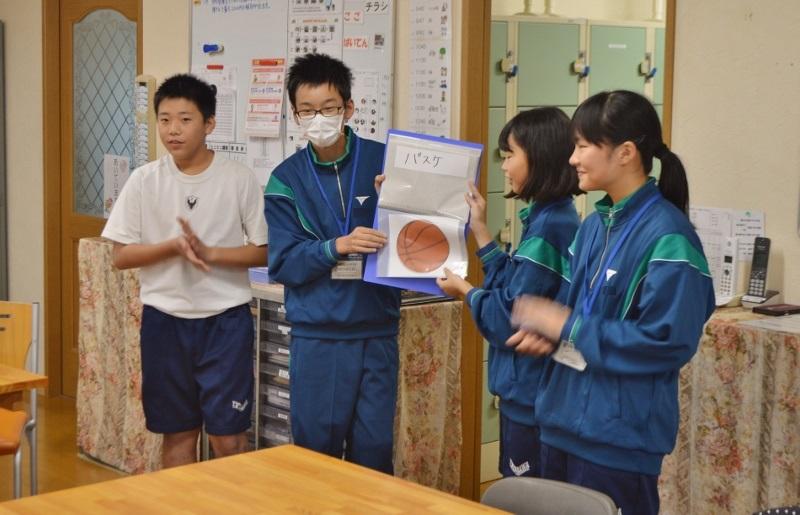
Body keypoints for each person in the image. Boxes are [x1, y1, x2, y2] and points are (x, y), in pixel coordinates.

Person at [507, 90, 715, 514]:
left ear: (625, 153)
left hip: (616, 441)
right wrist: (551, 335)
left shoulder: (670, 237)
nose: (572, 158)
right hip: (560, 425)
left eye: (583, 146)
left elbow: (665, 342)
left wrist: (567, 326)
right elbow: (580, 315)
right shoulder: (594, 226)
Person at [102, 73, 268, 467]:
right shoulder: (144, 180)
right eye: (164, 119)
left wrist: (210, 253)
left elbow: (263, 252)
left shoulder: (238, 178)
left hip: (225, 322)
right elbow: (121, 256)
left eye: (185, 119)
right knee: (178, 434)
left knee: (229, 439)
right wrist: (173, 247)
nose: (172, 130)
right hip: (164, 322)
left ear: (209, 124)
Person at [264, 53, 400, 474]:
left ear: (349, 108)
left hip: (377, 330)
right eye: (307, 111)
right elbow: (283, 262)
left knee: (374, 455)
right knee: (316, 460)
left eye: (328, 108)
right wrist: (335, 247)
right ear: (295, 115)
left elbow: (425, 236)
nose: (318, 119)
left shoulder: (386, 162)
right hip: (318, 336)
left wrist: (401, 202)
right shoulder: (285, 179)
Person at [436, 107, 580, 478]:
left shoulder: (551, 226)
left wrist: (465, 291)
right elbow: (514, 287)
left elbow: (507, 317)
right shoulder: (548, 217)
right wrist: (481, 230)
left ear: (540, 157)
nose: (504, 166)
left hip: (533, 396)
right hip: (527, 395)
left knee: (526, 496)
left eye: (510, 155)